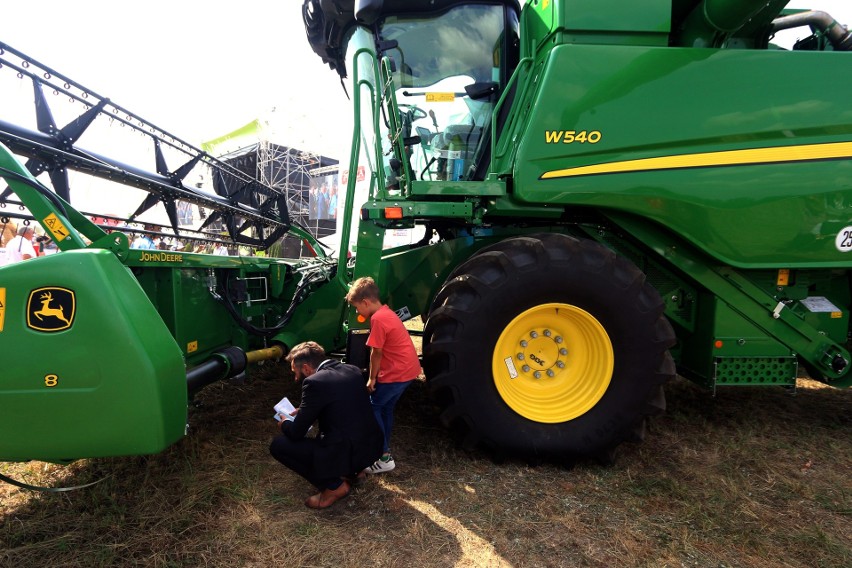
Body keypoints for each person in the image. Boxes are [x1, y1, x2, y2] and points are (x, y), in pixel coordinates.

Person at [269, 341, 384, 509]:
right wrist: (306, 409)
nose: (296, 378)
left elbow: (296, 433)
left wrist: (285, 423)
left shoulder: (314, 383)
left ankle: (333, 487)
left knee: (278, 445)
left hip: (346, 449)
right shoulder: (352, 369)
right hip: (370, 447)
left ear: (307, 368)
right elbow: (343, 403)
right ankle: (355, 473)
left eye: (296, 372)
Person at [345, 276, 421, 474]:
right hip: (409, 371)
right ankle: (383, 447)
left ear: (366, 302)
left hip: (397, 373)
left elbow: (375, 352)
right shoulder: (387, 312)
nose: (357, 312)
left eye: (356, 307)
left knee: (372, 408)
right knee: (386, 408)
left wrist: (371, 378)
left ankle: (384, 456)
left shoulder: (378, 319)